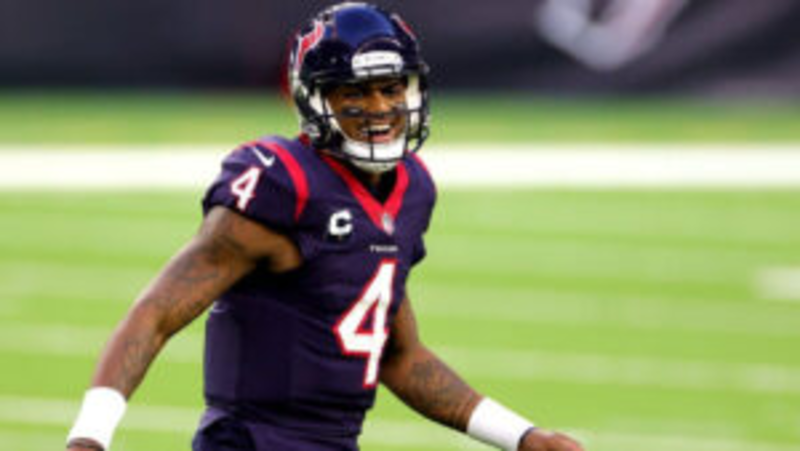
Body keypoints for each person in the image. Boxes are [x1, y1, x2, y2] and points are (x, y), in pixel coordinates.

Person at [65, 3, 585, 451]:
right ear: (315, 100)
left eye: (390, 88)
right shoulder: (283, 184)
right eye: (353, 93)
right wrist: (90, 436)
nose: (379, 108)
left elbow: (400, 356)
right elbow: (156, 313)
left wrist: (522, 436)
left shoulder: (412, 189)